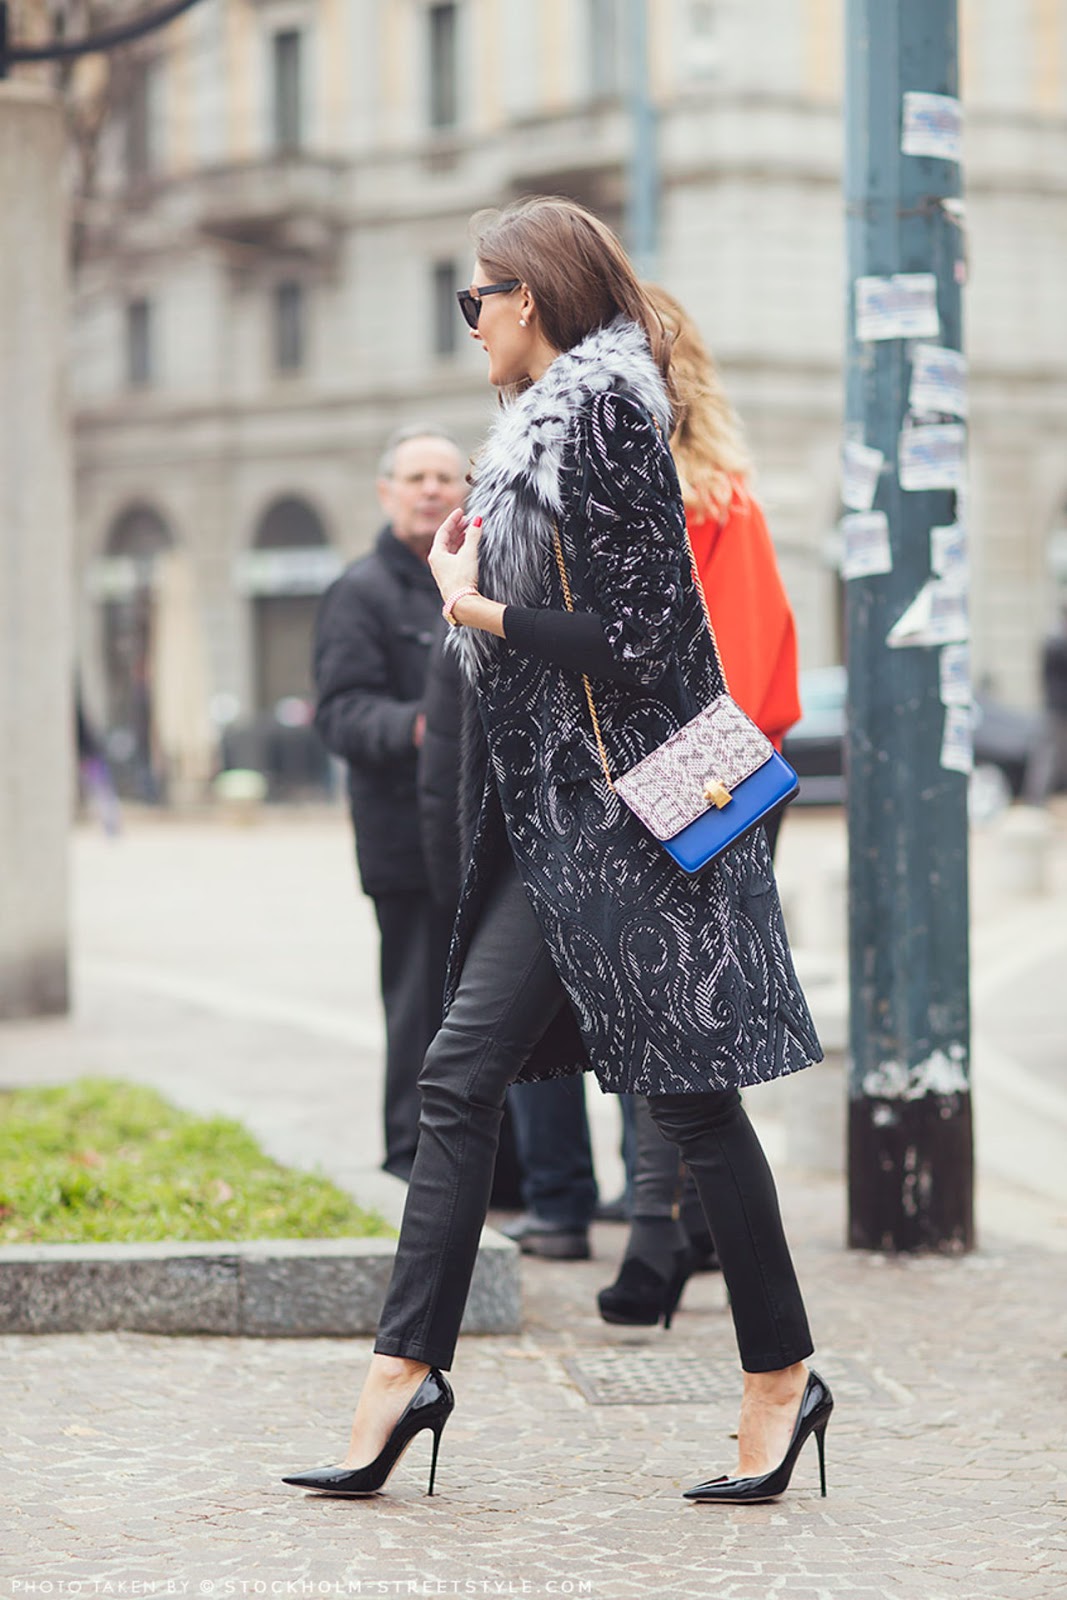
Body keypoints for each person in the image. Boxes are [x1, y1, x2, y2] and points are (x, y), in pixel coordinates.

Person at [285, 196, 832, 1506]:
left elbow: (648, 640)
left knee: (691, 1103)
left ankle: (778, 1379)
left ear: (531, 298)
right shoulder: (537, 429)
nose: (468, 321)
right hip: (555, 825)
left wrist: (473, 602)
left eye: (477, 297)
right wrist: (477, 607)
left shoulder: (600, 412)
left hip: (627, 824)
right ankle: (400, 1374)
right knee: (459, 1077)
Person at [597, 284, 803, 1329]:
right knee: (683, 1015)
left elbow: (735, 673)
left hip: (690, 782)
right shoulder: (701, 494)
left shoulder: (710, 502)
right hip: (694, 776)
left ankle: (657, 1235)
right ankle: (685, 1229)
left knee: (667, 1018)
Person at [313, 426, 465, 1180]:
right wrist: (420, 727)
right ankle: (409, 1161)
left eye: (445, 476)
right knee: (415, 1011)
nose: (432, 489)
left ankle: (498, 1173)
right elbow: (338, 712)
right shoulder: (359, 592)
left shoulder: (475, 577)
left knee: (481, 1016)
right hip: (403, 842)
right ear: (387, 493)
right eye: (417, 478)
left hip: (477, 838)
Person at [1024, 603, 1067, 805]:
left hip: (1057, 707)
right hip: (1058, 708)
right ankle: (1035, 800)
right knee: (1048, 755)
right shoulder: (1057, 640)